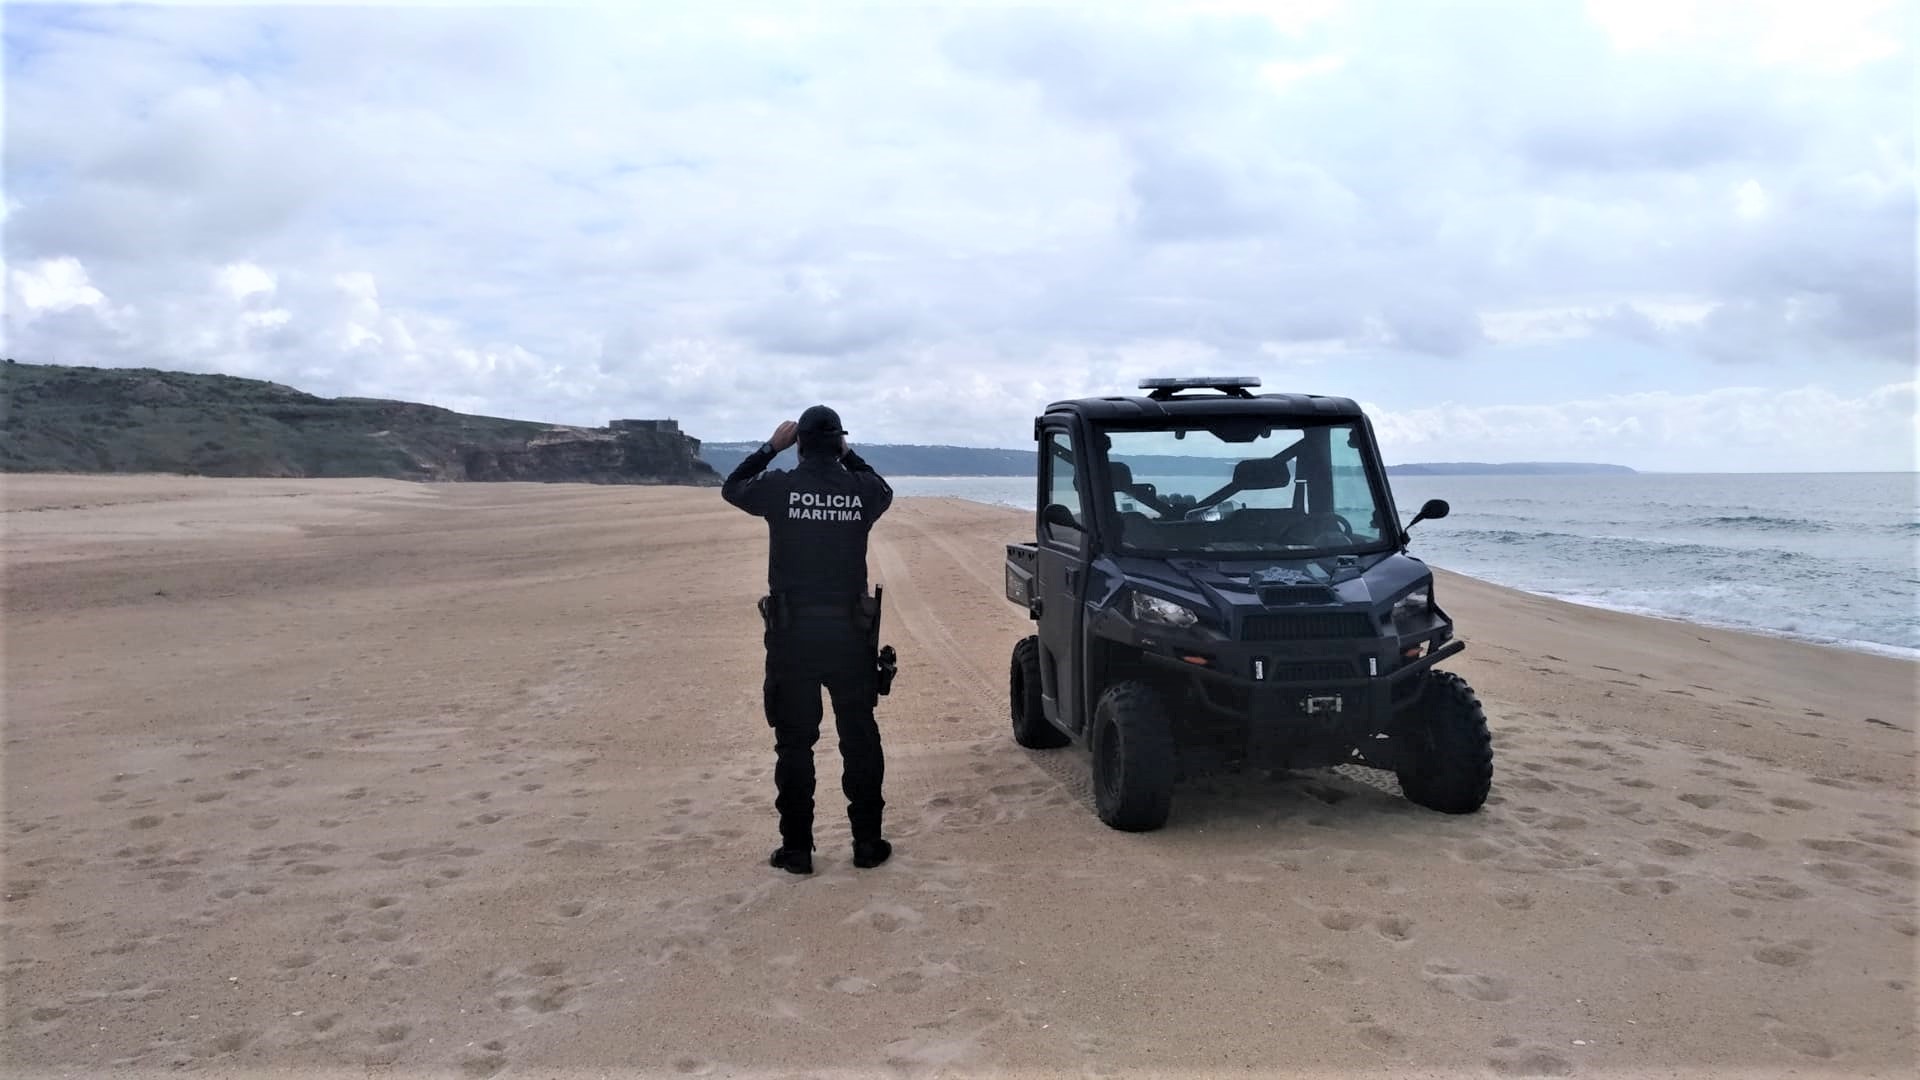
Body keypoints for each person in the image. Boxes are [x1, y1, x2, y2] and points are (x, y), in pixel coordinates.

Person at [722, 405, 895, 875]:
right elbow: (885, 490)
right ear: (838, 443)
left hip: (793, 636)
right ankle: (866, 844)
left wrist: (768, 449)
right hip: (847, 635)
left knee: (794, 744)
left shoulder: (780, 488)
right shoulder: (860, 491)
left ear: (798, 446)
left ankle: (797, 849)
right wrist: (850, 453)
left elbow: (732, 488)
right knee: (858, 738)